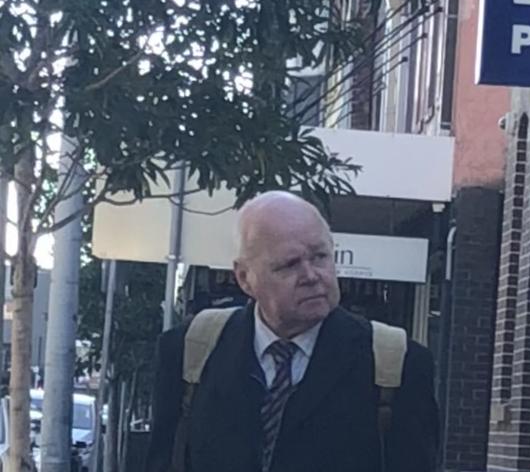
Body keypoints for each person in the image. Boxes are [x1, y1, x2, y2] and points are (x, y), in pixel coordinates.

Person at [146, 191, 439, 472]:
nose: (311, 276)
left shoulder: (397, 365)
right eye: (290, 265)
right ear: (245, 278)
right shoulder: (190, 351)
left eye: (320, 256)